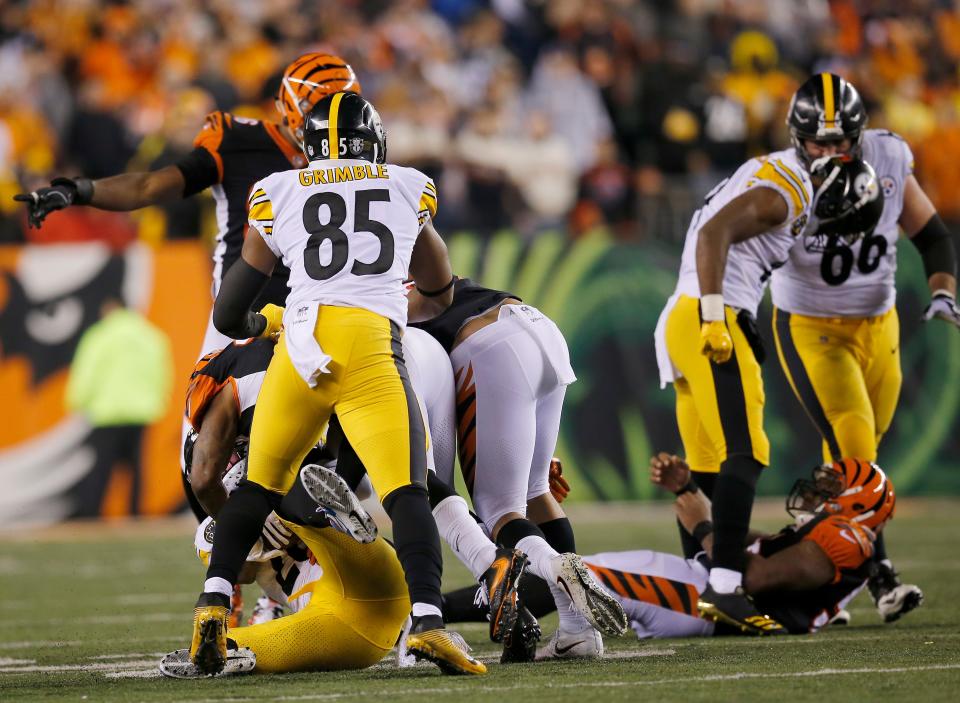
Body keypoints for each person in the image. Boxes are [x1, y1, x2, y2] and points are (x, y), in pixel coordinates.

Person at [189, 91, 483, 677]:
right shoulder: (405, 184)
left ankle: (213, 610)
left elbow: (228, 314)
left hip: (300, 346)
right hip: (371, 347)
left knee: (256, 488)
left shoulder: (279, 189)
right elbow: (439, 284)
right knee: (406, 494)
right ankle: (427, 622)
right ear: (372, 140)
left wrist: (256, 323)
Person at [653, 136, 883, 633]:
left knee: (710, 464)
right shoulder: (791, 191)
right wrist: (715, 316)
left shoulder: (783, 175)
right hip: (710, 314)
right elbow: (714, 232)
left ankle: (702, 588)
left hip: (685, 315)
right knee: (747, 451)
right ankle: (726, 586)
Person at [15, 52, 360, 358]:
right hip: (246, 318)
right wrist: (79, 191)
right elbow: (150, 185)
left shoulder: (360, 160)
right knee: (209, 422)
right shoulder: (239, 141)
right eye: (321, 112)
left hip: (325, 312)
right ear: (288, 108)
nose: (330, 124)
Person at [771, 73, 959, 622]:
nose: (829, 152)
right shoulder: (782, 178)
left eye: (840, 141)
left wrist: (943, 292)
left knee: (855, 462)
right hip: (811, 325)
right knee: (856, 451)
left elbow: (933, 234)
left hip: (880, 326)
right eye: (818, 143)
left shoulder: (890, 157)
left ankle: (815, 566)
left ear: (861, 134)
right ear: (796, 138)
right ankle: (880, 578)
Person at [443, 454, 895, 640]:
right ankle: (441, 608)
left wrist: (702, 527)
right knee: (583, 572)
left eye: (832, 488)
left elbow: (752, 579)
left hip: (704, 605)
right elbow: (752, 551)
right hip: (701, 597)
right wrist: (689, 490)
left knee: (585, 576)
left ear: (859, 502)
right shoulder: (845, 541)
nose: (817, 495)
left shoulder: (846, 537)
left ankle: (434, 610)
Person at [410, 277, 628, 659]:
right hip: (537, 328)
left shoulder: (362, 298)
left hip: (489, 346)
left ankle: (556, 564)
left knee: (500, 510)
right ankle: (578, 631)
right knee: (535, 489)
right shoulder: (394, 264)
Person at [161, 501, 410, 677]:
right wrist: (251, 526)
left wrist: (274, 513)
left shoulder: (272, 500)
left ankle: (328, 516)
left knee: (301, 506)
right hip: (340, 623)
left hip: (366, 577)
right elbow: (241, 572)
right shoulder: (215, 530)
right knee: (223, 649)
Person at [65, 296, 173, 517]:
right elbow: (162, 374)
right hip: (141, 412)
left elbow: (87, 373)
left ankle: (92, 516)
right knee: (136, 470)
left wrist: (77, 401)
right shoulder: (150, 336)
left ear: (109, 308)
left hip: (107, 413)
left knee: (101, 469)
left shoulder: (100, 336)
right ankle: (135, 516)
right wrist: (157, 402)